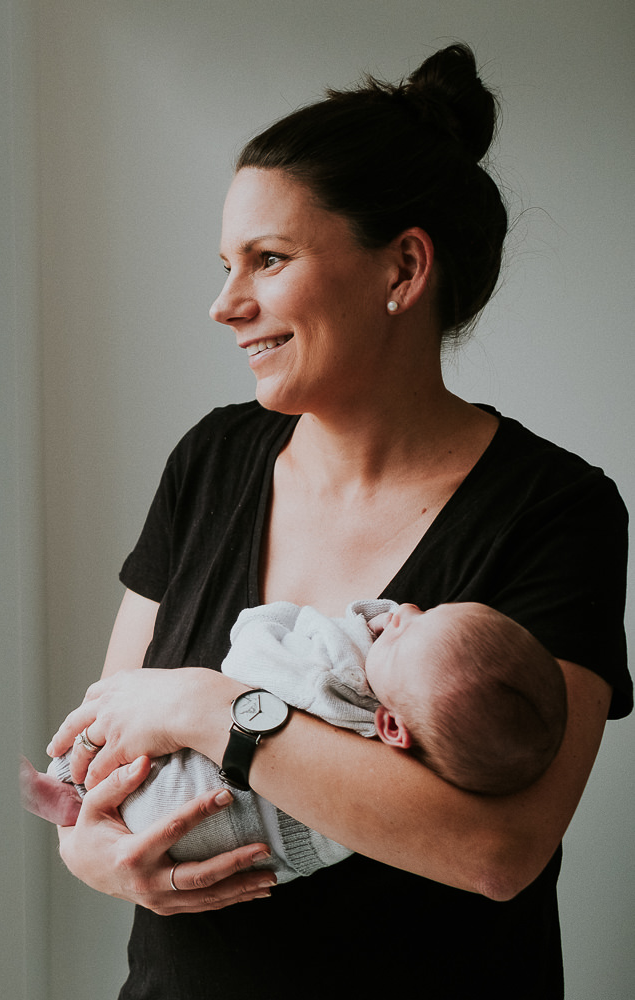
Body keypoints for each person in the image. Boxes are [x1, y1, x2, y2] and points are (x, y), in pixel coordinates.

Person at [38, 44, 631, 999]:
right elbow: (101, 758)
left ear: (403, 266)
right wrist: (96, 856)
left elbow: (497, 850)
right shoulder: (212, 459)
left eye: (268, 261)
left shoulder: (557, 509)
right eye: (227, 264)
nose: (225, 305)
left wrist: (214, 707)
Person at [33, 598, 567, 884]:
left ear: (393, 729)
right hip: (251, 862)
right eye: (426, 610)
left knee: (129, 775)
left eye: (405, 632)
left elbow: (250, 655)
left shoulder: (339, 679)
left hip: (193, 810)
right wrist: (85, 855)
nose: (403, 612)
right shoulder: (425, 758)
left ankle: (61, 794)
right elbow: (115, 706)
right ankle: (72, 806)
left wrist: (205, 695)